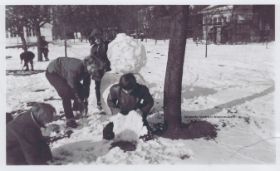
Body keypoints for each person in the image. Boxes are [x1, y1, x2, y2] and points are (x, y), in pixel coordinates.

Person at [46, 56, 97, 128]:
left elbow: (86, 86)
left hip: (65, 74)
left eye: (94, 68)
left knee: (81, 91)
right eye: (92, 67)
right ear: (87, 64)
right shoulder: (76, 67)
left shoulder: (88, 71)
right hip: (53, 72)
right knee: (66, 92)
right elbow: (72, 85)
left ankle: (76, 110)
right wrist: (79, 99)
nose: (93, 70)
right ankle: (69, 119)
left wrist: (85, 99)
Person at [88, 28, 112, 110]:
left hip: (106, 69)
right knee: (97, 86)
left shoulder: (106, 45)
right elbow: (92, 59)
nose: (97, 40)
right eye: (95, 38)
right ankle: (99, 102)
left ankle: (109, 101)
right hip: (97, 70)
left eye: (98, 38)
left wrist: (106, 66)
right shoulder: (93, 48)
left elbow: (109, 56)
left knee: (107, 85)